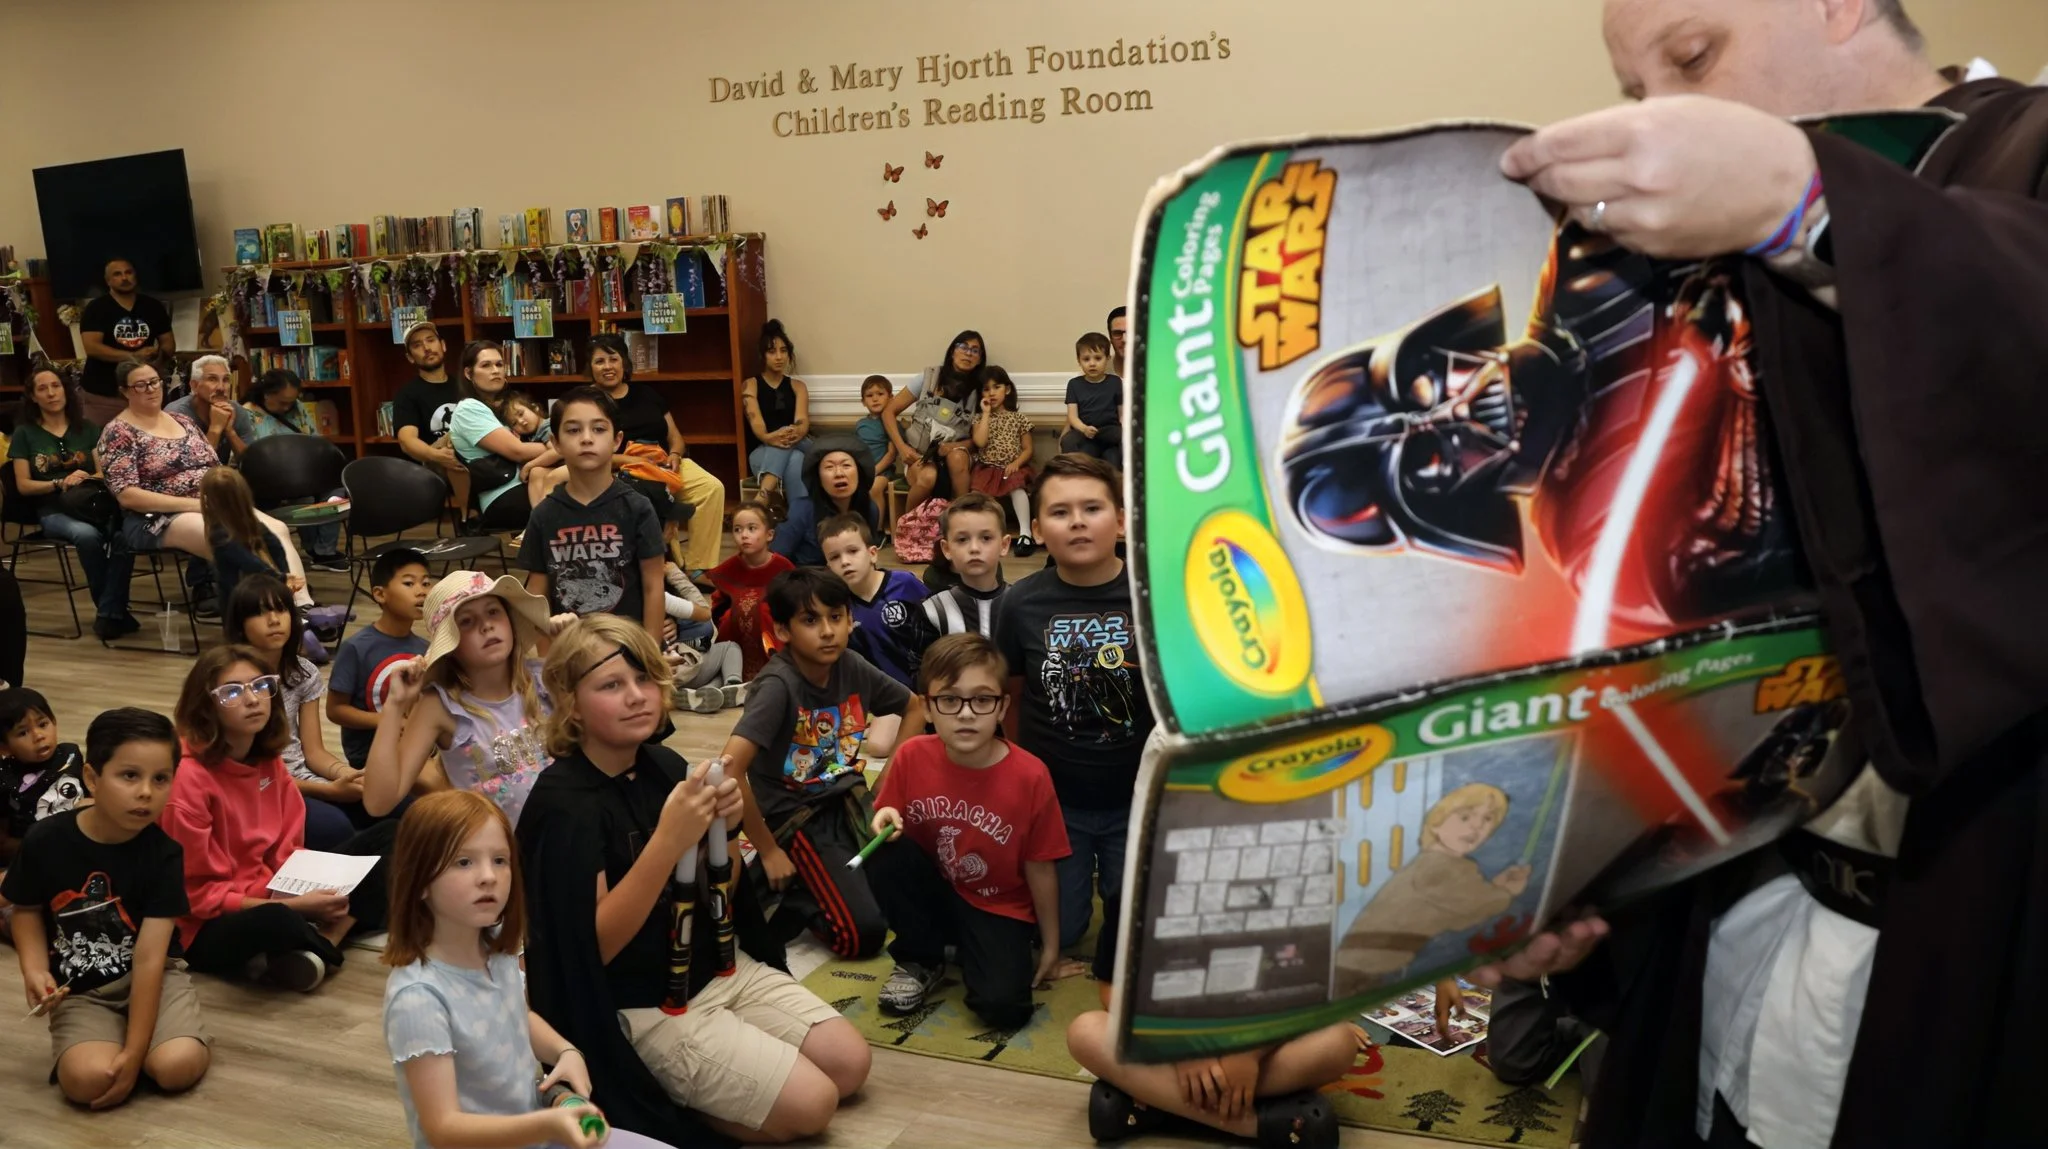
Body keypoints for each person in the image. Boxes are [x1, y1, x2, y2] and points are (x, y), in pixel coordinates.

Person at [1468, 3, 2048, 1147]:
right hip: (1731, 929)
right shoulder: (1691, 275)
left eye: (1692, 58)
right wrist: (1581, 876)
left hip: (1972, 930)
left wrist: (1814, 202)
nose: (1673, 113)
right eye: (1642, 96)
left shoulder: (2019, 147)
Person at [519, 614, 870, 1144]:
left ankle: (728, 1064)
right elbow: (593, 950)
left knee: (850, 1065)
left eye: (644, 680)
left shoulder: (662, 765)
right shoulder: (564, 806)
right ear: (570, 703)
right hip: (641, 1003)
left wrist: (725, 829)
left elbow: (719, 897)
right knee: (814, 1105)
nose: (636, 696)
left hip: (714, 969)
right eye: (611, 685)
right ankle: (654, 1089)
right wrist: (666, 842)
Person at [383, 789, 665, 1149]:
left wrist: (566, 1052)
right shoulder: (418, 999)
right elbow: (443, 1128)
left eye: (500, 860)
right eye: (463, 862)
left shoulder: (495, 945)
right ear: (419, 880)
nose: (489, 877)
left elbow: (515, 1011)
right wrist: (548, 1123)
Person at [994, 453, 1155, 983]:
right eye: (1061, 513)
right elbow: (1012, 695)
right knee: (1060, 927)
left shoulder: (1155, 596)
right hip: (1056, 800)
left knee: (1138, 926)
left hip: (1139, 794)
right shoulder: (1020, 603)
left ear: (1122, 519)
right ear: (1037, 530)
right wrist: (1020, 776)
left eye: (1093, 507)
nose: (1079, 521)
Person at [4, 708, 211, 1110]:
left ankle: (152, 1040)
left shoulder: (164, 854)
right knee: (86, 1082)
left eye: (161, 779)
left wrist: (134, 1054)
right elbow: (26, 908)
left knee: (175, 1067)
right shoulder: (46, 840)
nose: (146, 792)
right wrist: (34, 968)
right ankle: (114, 1040)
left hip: (157, 979)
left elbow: (150, 960)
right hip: (82, 989)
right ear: (92, 779)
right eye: (129, 776)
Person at [865, 634, 1075, 1024]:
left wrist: (1051, 946)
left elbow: (1041, 866)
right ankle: (920, 957)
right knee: (884, 849)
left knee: (1004, 1010)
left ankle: (963, 947)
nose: (965, 714)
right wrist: (886, 818)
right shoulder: (911, 755)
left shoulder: (1031, 775)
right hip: (935, 894)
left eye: (982, 700)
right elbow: (889, 815)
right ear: (928, 708)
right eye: (949, 700)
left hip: (998, 904)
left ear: (1002, 707)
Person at [161, 646, 379, 991]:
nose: (253, 700)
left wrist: (304, 893)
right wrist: (295, 906)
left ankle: (323, 940)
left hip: (277, 890)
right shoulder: (187, 780)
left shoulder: (266, 757)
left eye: (261, 686)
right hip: (211, 923)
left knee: (392, 838)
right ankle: (320, 938)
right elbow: (197, 897)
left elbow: (288, 846)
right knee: (275, 919)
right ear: (205, 706)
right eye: (232, 691)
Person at [728, 568, 915, 959]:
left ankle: (805, 883)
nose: (827, 631)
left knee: (919, 884)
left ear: (850, 620)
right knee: (861, 935)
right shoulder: (778, 686)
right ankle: (797, 900)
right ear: (783, 630)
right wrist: (767, 850)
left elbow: (914, 707)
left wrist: (891, 780)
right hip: (797, 818)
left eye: (835, 617)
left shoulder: (851, 663)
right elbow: (728, 769)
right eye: (810, 620)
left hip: (848, 800)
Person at [98, 358, 314, 625]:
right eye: (140, 385)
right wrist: (194, 505)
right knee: (235, 541)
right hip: (156, 518)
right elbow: (127, 495)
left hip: (214, 505)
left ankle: (301, 608)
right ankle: (277, 617)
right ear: (125, 391)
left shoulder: (181, 421)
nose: (151, 389)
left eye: (154, 382)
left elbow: (212, 465)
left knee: (277, 529)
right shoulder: (118, 431)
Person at [362, 571, 554, 829]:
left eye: (493, 612)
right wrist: (394, 707)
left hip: (567, 841)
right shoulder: (440, 705)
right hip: (497, 856)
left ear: (510, 619)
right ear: (450, 644)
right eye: (466, 621)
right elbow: (378, 803)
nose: (486, 625)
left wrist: (573, 643)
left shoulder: (545, 679)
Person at [1333, 783, 1529, 993]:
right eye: (1465, 817)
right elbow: (1473, 903)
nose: (1476, 827)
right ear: (1436, 822)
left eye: (1487, 819)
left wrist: (1497, 890)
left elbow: (1458, 918)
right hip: (1360, 966)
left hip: (1375, 964)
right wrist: (1505, 893)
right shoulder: (1438, 865)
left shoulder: (1446, 865)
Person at [1066, 1007, 1351, 1148]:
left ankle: (1157, 1106)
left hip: (1260, 1048)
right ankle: (1253, 1124)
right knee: (1086, 1030)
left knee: (1338, 1042)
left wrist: (1249, 1053)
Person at [225, 575, 363, 851]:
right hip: (259, 790)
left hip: (302, 778)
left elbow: (313, 752)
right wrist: (328, 790)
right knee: (335, 827)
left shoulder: (303, 672)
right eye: (260, 613)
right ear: (240, 625)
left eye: (281, 609)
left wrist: (349, 775)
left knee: (391, 805)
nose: (274, 620)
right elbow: (249, 775)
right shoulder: (229, 681)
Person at [517, 386, 666, 634]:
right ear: (556, 443)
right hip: (570, 652)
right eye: (573, 430)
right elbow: (537, 596)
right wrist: (545, 663)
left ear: (617, 440)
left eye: (598, 429)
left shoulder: (637, 507)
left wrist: (650, 657)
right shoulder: (544, 515)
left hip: (627, 649)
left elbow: (653, 586)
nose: (586, 438)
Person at [589, 331, 727, 573]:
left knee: (712, 488)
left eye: (614, 359)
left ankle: (699, 567)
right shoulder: (587, 402)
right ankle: (667, 564)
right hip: (624, 470)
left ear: (624, 363)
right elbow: (591, 453)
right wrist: (634, 459)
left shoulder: (646, 394)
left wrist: (674, 454)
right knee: (654, 498)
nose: (608, 367)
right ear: (590, 367)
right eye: (600, 361)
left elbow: (675, 436)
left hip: (664, 463)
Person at [9, 366, 124, 633]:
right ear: (33, 397)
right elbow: (23, 485)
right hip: (53, 509)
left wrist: (86, 476)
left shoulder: (89, 429)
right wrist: (59, 482)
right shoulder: (25, 434)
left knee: (123, 535)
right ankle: (108, 608)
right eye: (42, 389)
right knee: (86, 536)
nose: (51, 393)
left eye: (56, 386)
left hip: (92, 503)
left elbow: (103, 471)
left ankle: (112, 608)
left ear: (66, 390)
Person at [326, 547, 431, 772]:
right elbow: (335, 711)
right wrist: (389, 721)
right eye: (409, 583)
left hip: (415, 749)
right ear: (380, 594)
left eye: (426, 583)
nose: (421, 591)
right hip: (370, 756)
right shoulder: (356, 647)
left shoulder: (425, 648)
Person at [231, 366, 345, 570]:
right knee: (304, 496)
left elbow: (313, 438)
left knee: (336, 490)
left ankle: (323, 551)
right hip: (268, 480)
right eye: (283, 402)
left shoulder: (297, 408)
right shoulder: (245, 414)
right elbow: (245, 455)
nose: (287, 408)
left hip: (304, 471)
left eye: (291, 402)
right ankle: (311, 547)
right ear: (267, 394)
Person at [819, 512, 929, 690]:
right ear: (828, 568)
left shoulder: (905, 584)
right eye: (834, 557)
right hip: (879, 699)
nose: (845, 561)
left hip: (925, 687)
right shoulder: (837, 608)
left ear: (872, 554)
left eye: (852, 551)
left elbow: (939, 627)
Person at [0, 689, 88, 910]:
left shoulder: (71, 754)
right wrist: (42, 850)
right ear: (4, 747)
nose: (39, 735)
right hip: (29, 858)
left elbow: (90, 793)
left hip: (79, 846)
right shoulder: (5, 778)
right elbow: (3, 842)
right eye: (23, 733)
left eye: (43, 724)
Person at [447, 340, 548, 531]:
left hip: (527, 483)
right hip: (504, 496)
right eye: (486, 365)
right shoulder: (468, 408)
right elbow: (517, 451)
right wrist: (562, 448)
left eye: (499, 364)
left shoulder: (503, 407)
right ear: (469, 374)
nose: (495, 370)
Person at [882, 329, 986, 508]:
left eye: (975, 350)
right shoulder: (928, 378)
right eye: (963, 347)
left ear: (979, 359)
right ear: (953, 351)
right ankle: (908, 527)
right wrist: (902, 448)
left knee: (957, 459)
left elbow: (977, 441)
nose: (968, 353)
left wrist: (953, 447)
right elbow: (888, 412)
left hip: (956, 454)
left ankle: (961, 517)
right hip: (919, 455)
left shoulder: (980, 391)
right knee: (928, 477)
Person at [76, 259, 175, 427]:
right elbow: (92, 347)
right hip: (104, 393)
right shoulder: (96, 308)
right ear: (108, 281)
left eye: (128, 272)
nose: (124, 278)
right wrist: (133, 357)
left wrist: (158, 358)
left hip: (144, 392)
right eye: (117, 274)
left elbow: (169, 344)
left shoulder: (153, 306)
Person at [198, 466, 303, 616]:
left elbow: (250, 561)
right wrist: (282, 575)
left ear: (207, 500)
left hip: (238, 602)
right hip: (256, 593)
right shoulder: (252, 523)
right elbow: (275, 548)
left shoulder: (219, 534)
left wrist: (281, 577)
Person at [706, 502, 793, 681]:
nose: (744, 535)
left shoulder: (783, 567)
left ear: (769, 535)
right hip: (736, 636)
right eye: (737, 530)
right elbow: (718, 605)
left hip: (772, 633)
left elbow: (793, 603)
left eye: (752, 528)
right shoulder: (729, 568)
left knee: (762, 611)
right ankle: (729, 677)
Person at [391, 320, 468, 515]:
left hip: (469, 451)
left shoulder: (464, 386)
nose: (426, 348)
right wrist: (437, 456)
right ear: (410, 357)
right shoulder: (407, 394)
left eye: (430, 340)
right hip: (433, 462)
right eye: (417, 345)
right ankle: (470, 518)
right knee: (453, 446)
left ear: (443, 345)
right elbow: (406, 441)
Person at [769, 435, 881, 568]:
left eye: (846, 465)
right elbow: (775, 561)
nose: (839, 473)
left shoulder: (870, 509)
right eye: (829, 467)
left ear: (859, 473)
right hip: (806, 583)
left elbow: (867, 560)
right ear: (819, 479)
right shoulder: (801, 510)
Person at [918, 493, 1012, 640]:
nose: (974, 548)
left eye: (986, 538)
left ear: (1004, 545)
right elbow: (923, 663)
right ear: (946, 549)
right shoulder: (934, 611)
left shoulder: (1022, 605)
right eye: (962, 539)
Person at [741, 319, 812, 514]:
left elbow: (802, 422)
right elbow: (759, 428)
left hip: (798, 441)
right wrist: (770, 437)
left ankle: (762, 496)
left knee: (796, 448)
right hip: (761, 453)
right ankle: (800, 517)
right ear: (763, 355)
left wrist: (791, 432)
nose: (779, 357)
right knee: (795, 458)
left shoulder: (798, 387)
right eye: (772, 352)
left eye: (783, 351)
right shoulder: (751, 385)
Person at [665, 563, 748, 714]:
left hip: (670, 673)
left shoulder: (639, 603)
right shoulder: (665, 601)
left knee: (717, 664)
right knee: (730, 648)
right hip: (680, 668)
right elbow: (704, 612)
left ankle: (703, 693)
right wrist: (676, 575)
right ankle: (732, 683)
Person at [970, 366, 1037, 547]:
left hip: (1013, 466)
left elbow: (1028, 449)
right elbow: (980, 442)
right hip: (987, 468)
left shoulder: (1018, 418)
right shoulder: (978, 419)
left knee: (1017, 487)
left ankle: (1025, 533)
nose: (991, 393)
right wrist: (985, 414)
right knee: (978, 497)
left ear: (1007, 389)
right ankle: (986, 534)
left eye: (996, 387)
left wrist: (1016, 463)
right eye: (986, 389)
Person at [164, 354, 255, 465]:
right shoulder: (176, 414)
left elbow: (251, 463)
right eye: (212, 379)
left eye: (226, 380)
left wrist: (230, 431)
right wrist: (215, 429)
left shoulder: (236, 410)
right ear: (194, 386)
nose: (221, 388)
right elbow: (190, 467)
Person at [1060, 332, 1124, 471]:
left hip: (1109, 431)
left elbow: (1122, 414)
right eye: (1086, 359)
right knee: (1070, 443)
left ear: (1107, 358)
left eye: (1098, 358)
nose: (1092, 363)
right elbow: (1072, 416)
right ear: (1079, 361)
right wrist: (1084, 429)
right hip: (1084, 432)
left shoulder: (1115, 382)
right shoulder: (1074, 384)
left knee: (1117, 452)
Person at [854, 375, 899, 512]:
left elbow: (891, 454)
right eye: (869, 395)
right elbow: (856, 449)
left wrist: (873, 472)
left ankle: (877, 530)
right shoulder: (861, 424)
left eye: (880, 394)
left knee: (874, 488)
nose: (875, 398)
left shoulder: (891, 424)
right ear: (863, 401)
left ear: (890, 397)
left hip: (882, 472)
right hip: (862, 470)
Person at [1105, 305, 1128, 377]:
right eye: (1117, 333)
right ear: (1110, 337)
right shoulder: (1096, 373)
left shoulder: (1159, 369)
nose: (1125, 340)